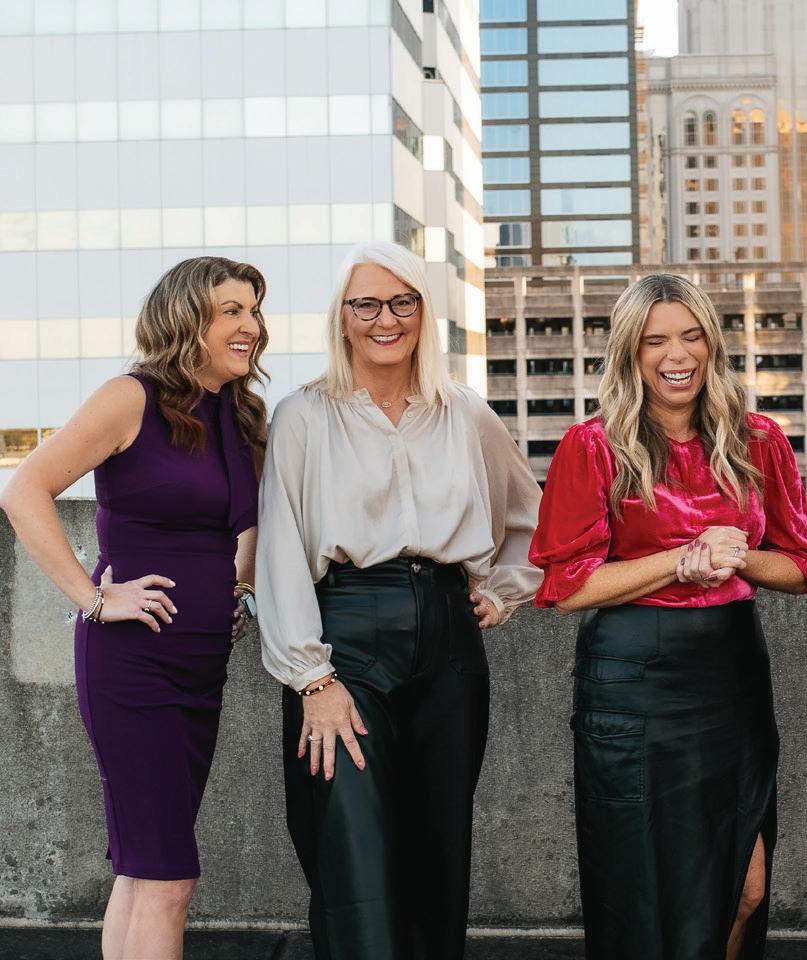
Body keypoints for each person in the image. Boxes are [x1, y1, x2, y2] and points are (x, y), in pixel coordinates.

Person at [251, 241, 543, 960]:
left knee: (436, 858)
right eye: (367, 304)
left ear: (422, 312)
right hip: (344, 645)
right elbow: (279, 551)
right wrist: (311, 678)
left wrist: (501, 591)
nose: (386, 319)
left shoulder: (463, 413)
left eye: (402, 302)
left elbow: (532, 520)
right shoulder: (303, 416)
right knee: (351, 855)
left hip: (449, 647)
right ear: (342, 318)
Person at [529, 273, 807, 959]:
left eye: (691, 336)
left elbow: (800, 569)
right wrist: (679, 560)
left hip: (730, 679)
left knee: (744, 887)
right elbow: (567, 587)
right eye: (655, 340)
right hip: (632, 686)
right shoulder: (593, 445)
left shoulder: (758, 439)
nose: (677, 355)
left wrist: (736, 556)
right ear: (630, 352)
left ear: (711, 344)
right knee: (645, 889)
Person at [0, 256, 269, 960]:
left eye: (253, 310)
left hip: (201, 668)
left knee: (146, 871)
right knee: (168, 876)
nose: (250, 325)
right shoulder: (130, 398)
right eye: (231, 311)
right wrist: (92, 598)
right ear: (186, 319)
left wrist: (239, 588)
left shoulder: (238, 413)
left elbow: (248, 522)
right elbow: (23, 491)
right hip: (135, 665)